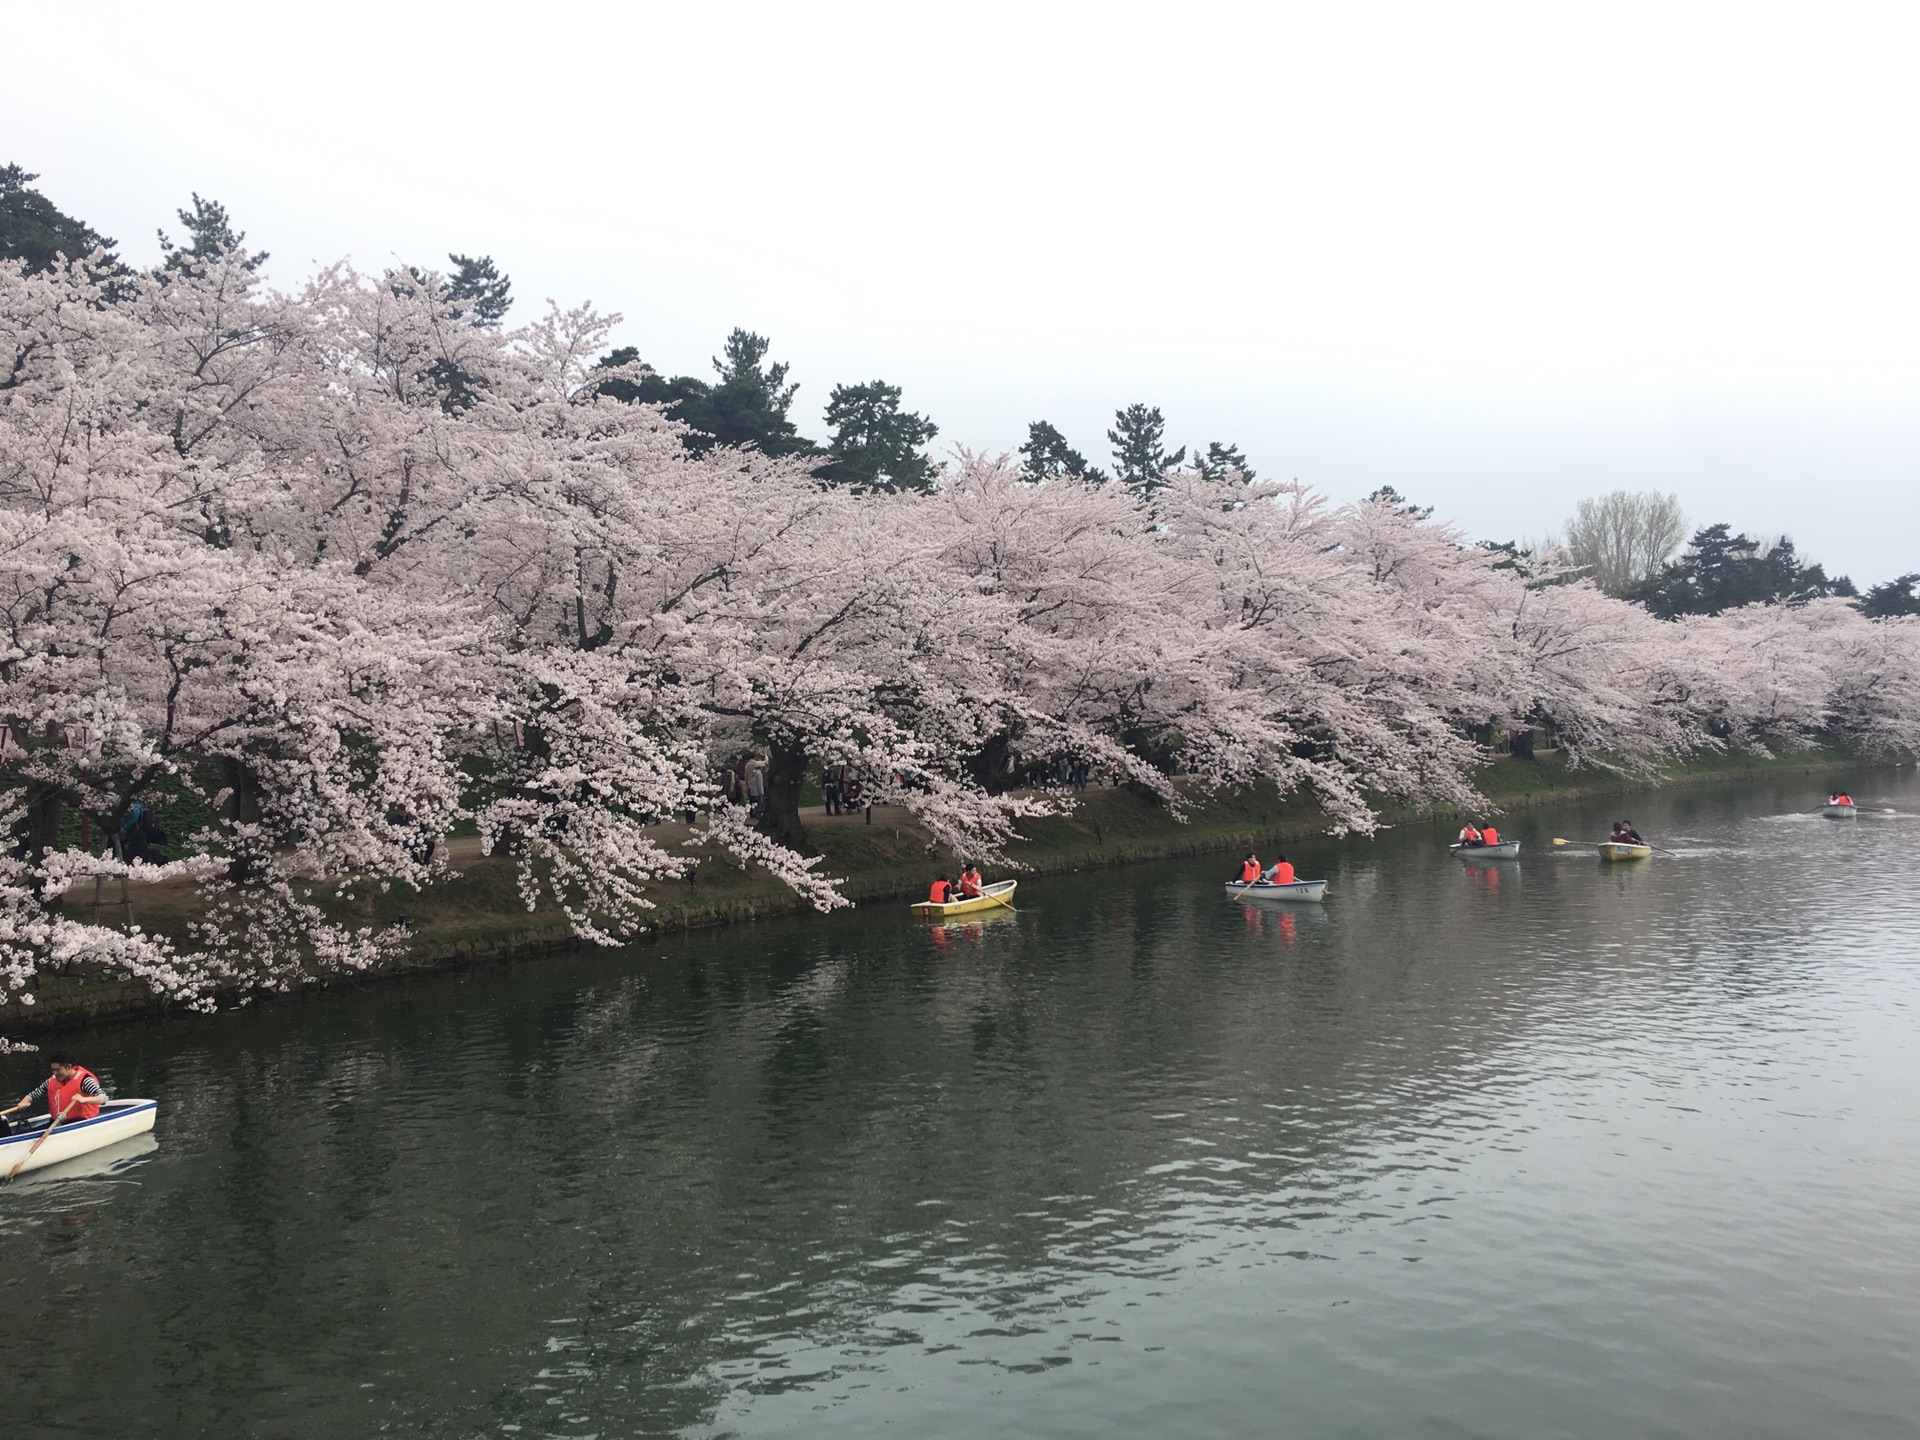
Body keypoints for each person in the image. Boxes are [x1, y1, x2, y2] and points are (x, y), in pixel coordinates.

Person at [3, 1052, 106, 1133]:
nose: (54, 1073)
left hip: (80, 1123)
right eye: (53, 1070)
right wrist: (26, 1100)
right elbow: (34, 1094)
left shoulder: (85, 1081)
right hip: (57, 1122)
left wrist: (83, 1099)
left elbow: (103, 1098)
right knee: (24, 1131)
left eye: (57, 1070)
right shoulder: (53, 1080)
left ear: (68, 1067)